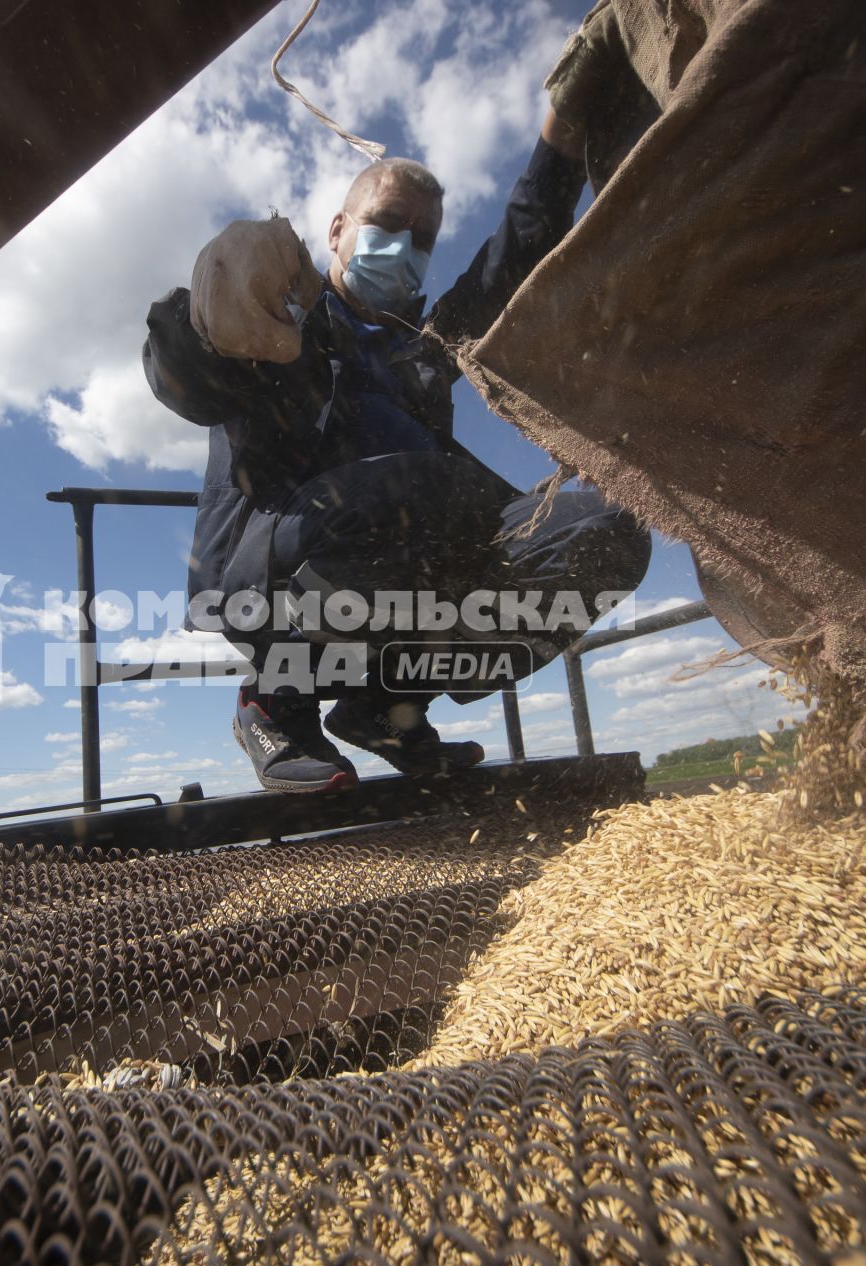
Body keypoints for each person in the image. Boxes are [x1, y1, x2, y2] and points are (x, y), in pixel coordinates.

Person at [142, 125, 649, 795]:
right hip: (274, 580)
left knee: (610, 527)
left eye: (422, 237)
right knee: (417, 488)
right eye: (386, 223)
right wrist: (204, 322)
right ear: (335, 230)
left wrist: (567, 130)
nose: (403, 246)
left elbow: (517, 249)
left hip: (407, 565)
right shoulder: (280, 328)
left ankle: (388, 705)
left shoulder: (424, 351)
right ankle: (275, 707)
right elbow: (186, 374)